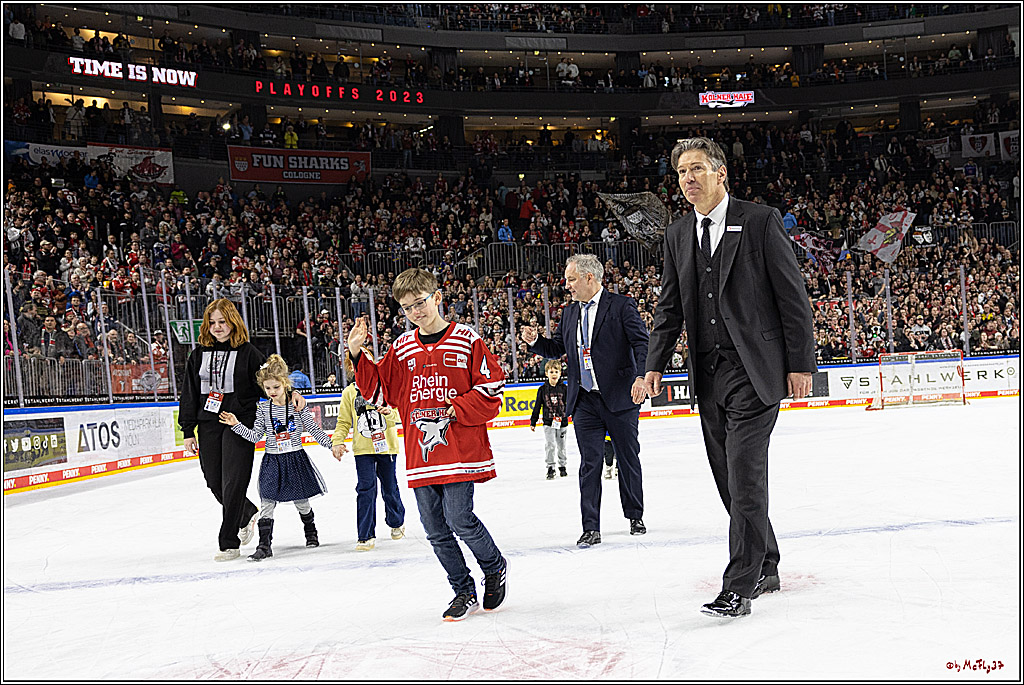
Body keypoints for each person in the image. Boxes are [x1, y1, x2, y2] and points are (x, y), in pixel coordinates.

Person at [644, 137, 816, 618]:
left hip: (755, 373)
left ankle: (739, 584)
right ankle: (768, 562)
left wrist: (801, 363)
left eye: (697, 168)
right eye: (681, 172)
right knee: (729, 481)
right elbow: (670, 304)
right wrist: (654, 362)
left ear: (721, 173)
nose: (688, 179)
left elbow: (793, 298)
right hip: (708, 374)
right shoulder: (678, 233)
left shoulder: (759, 221)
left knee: (743, 476)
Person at [347, 267, 508, 621]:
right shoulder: (402, 348)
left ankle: (494, 566)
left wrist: (456, 407)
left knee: (459, 517)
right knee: (435, 528)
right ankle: (463, 591)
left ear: (437, 298)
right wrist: (358, 354)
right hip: (422, 454)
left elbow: (493, 388)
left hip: (461, 449)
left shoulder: (468, 340)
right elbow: (377, 392)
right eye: (406, 307)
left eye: (420, 302)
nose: (415, 311)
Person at [521, 253, 650, 548]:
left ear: (589, 277)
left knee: (628, 458)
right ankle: (590, 527)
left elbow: (641, 342)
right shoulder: (569, 312)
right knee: (589, 463)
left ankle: (634, 515)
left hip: (620, 396)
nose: (567, 285)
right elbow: (557, 349)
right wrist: (534, 342)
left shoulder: (621, 305)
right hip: (584, 401)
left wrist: (641, 377)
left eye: (571, 279)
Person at [178, 299, 305, 562]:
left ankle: (228, 543)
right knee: (214, 481)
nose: (217, 327)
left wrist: (291, 393)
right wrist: (188, 430)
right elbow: (188, 393)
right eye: (212, 322)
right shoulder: (197, 355)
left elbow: (270, 381)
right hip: (208, 424)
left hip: (239, 422)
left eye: (222, 322)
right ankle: (246, 513)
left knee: (233, 481)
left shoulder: (248, 353)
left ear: (233, 322)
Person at [219, 354, 333, 561]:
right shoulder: (263, 409)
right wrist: (236, 424)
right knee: (267, 502)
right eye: (268, 388)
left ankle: (311, 531)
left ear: (285, 384)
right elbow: (254, 436)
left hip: (295, 460)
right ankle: (264, 545)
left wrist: (333, 445)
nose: (272, 392)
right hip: (272, 461)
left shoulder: (298, 406)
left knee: (302, 501)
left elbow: (314, 430)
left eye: (276, 388)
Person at [332, 349, 406, 551]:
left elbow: (399, 415)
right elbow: (343, 421)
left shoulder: (386, 388)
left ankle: (396, 520)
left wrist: (390, 412)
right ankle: (365, 535)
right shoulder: (349, 393)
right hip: (362, 450)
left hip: (387, 448)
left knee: (390, 487)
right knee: (365, 488)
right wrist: (337, 441)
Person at [529, 359, 569, 480]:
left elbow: (570, 404)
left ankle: (562, 466)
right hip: (548, 422)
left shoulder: (564, 388)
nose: (554, 374)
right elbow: (537, 406)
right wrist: (533, 421)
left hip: (562, 422)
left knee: (561, 445)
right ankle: (550, 467)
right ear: (546, 373)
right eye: (551, 371)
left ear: (560, 373)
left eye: (556, 371)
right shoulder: (542, 390)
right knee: (550, 445)